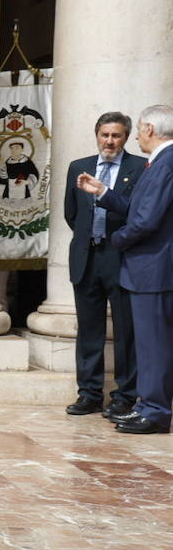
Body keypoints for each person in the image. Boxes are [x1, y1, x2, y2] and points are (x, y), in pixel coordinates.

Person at [77, 104, 173, 435]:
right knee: (149, 343)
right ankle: (148, 405)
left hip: (154, 268)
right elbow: (136, 207)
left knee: (153, 344)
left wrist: (116, 239)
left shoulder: (165, 162)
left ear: (147, 130)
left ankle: (155, 410)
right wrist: (103, 193)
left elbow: (144, 220)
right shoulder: (159, 162)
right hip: (149, 268)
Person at [62, 112, 143, 419]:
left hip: (120, 258)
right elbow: (71, 214)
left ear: (126, 137)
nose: (110, 141)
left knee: (126, 330)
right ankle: (89, 394)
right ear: (96, 135)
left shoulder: (138, 168)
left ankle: (125, 395)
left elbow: (138, 213)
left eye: (117, 135)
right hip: (87, 256)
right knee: (89, 329)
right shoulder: (78, 167)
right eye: (105, 135)